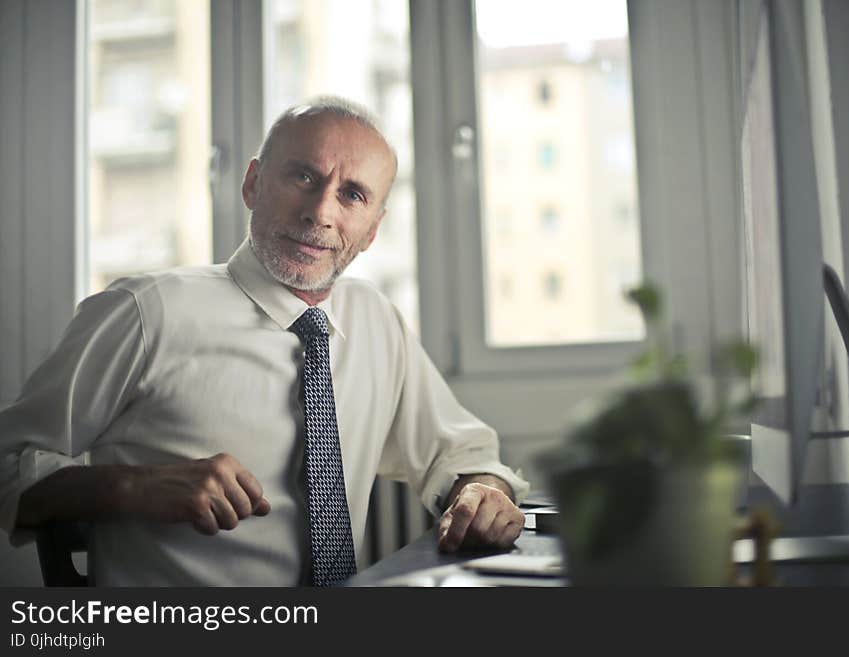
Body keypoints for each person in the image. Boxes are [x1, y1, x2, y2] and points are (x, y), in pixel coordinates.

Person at [0, 96, 528, 586]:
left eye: (352, 195)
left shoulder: (375, 320)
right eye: (303, 175)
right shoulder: (146, 313)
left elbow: (459, 452)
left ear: (371, 230)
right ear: (253, 183)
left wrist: (482, 491)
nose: (320, 212)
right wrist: (132, 486)